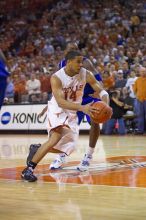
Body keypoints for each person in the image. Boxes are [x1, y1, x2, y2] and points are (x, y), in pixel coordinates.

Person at [21, 50, 109, 182]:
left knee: (70, 147)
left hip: (72, 110)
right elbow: (61, 102)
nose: (81, 64)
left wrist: (105, 104)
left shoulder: (86, 73)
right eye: (78, 62)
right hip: (58, 109)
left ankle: (37, 149)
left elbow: (101, 91)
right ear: (69, 62)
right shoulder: (57, 77)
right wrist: (82, 108)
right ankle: (28, 170)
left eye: (82, 61)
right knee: (56, 137)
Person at [133, 67, 146, 134]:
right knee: (140, 115)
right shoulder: (137, 80)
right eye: (142, 71)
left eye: (144, 71)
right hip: (139, 100)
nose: (143, 72)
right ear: (140, 72)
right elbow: (134, 90)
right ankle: (141, 130)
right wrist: (137, 96)